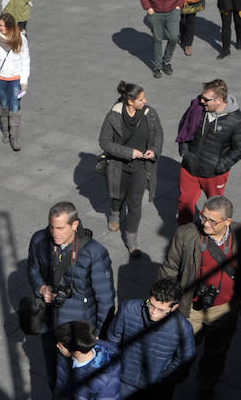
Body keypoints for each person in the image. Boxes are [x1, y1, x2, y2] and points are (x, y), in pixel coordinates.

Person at [26, 202, 115, 390]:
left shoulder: (94, 253)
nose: (54, 233)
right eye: (51, 227)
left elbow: (105, 299)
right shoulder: (40, 240)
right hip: (48, 323)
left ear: (74, 225)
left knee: (76, 380)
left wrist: (98, 335)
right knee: (53, 374)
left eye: (60, 228)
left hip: (77, 330)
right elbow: (33, 269)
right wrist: (41, 288)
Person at [158, 196, 240, 400]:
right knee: (182, 350)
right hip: (190, 307)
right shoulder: (187, 234)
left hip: (224, 309)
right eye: (203, 217)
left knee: (216, 352)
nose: (205, 223)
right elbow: (169, 269)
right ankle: (170, 382)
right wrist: (165, 301)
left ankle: (206, 386)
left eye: (213, 221)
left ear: (227, 222)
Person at [98, 81, 163, 256]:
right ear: (130, 102)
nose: (145, 101)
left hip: (141, 166)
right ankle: (114, 212)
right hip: (118, 164)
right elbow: (104, 142)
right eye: (141, 99)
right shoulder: (114, 115)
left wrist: (154, 150)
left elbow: (158, 135)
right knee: (117, 195)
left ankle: (132, 239)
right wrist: (128, 152)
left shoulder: (150, 113)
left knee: (135, 203)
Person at [107, 278, 196, 399]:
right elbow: (112, 340)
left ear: (174, 308)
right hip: (123, 382)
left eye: (161, 310)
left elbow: (184, 360)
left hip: (156, 389)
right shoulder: (128, 309)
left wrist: (164, 380)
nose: (153, 312)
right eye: (151, 305)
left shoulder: (183, 328)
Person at [175, 79, 241, 225]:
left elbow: (238, 148)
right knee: (184, 204)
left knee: (215, 208)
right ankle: (183, 236)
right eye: (202, 97)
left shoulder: (236, 121)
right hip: (189, 168)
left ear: (219, 101)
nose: (202, 101)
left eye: (206, 99)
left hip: (214, 174)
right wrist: (185, 150)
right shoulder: (197, 108)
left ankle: (212, 238)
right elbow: (184, 125)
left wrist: (222, 166)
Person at [0, 14, 30, 151]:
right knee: (3, 105)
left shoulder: (20, 39)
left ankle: (14, 137)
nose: (1, 28)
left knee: (14, 106)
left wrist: (24, 81)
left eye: (4, 26)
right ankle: (6, 132)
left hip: (15, 78)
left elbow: (25, 60)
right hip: (1, 78)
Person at [53, 320, 122, 399]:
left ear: (76, 352)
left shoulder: (106, 379)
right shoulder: (64, 355)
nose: (57, 346)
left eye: (60, 345)